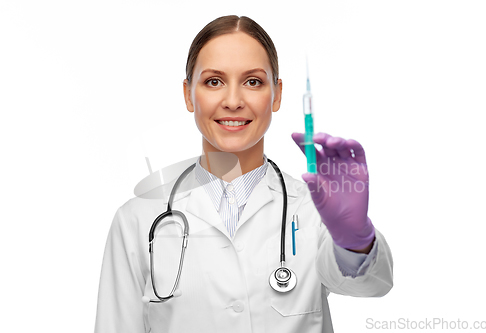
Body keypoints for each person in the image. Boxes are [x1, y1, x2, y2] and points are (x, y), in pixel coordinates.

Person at [95, 15, 393, 333]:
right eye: (214, 81)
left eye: (253, 81)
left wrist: (355, 239)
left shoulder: (313, 209)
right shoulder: (138, 219)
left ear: (276, 94)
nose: (234, 101)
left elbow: (371, 286)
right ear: (188, 94)